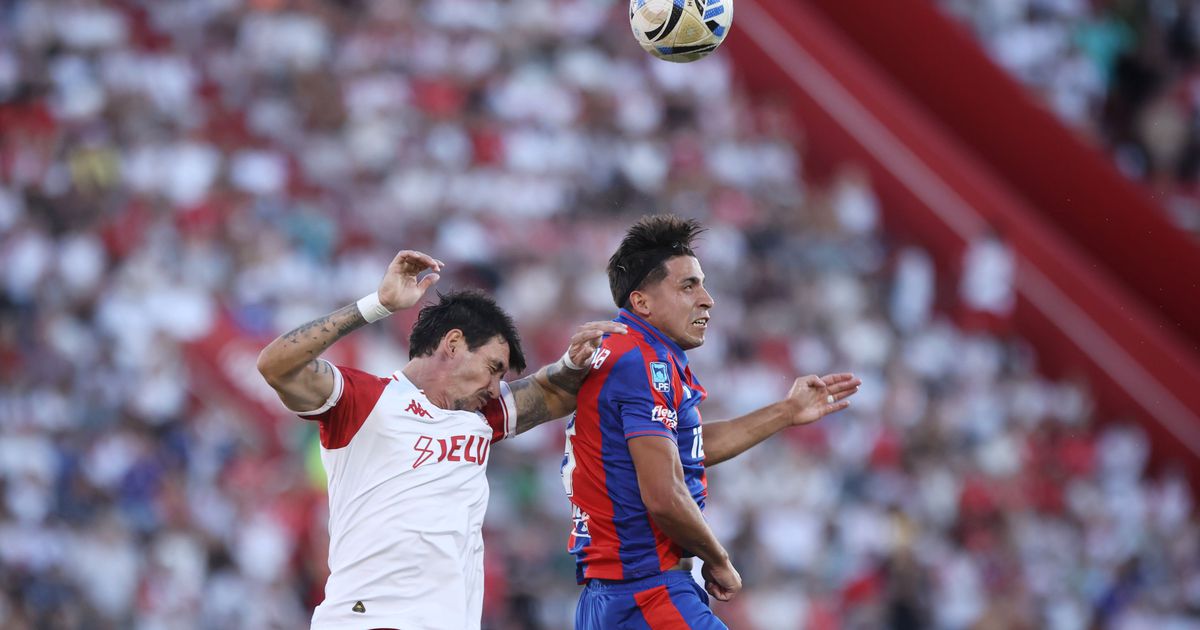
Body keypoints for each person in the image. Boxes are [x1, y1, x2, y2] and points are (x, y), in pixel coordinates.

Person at [256, 249, 625, 630]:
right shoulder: (366, 400)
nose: (496, 387)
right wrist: (376, 306)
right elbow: (276, 365)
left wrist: (581, 360)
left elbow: (554, 392)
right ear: (453, 343)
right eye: (493, 368)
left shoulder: (479, 418)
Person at [562, 215, 862, 629]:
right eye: (688, 286)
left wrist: (786, 412)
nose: (707, 299)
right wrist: (718, 559)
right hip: (646, 594)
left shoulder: (636, 352)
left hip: (613, 596)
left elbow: (685, 450)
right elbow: (664, 495)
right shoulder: (640, 361)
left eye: (702, 283)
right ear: (642, 302)